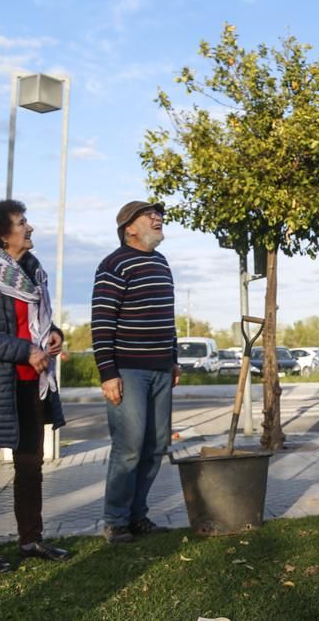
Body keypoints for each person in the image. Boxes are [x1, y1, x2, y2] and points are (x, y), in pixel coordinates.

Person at [0, 200, 72, 573]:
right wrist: (26, 350)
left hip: (31, 385)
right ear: (3, 235)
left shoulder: (33, 274)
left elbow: (39, 325)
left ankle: (31, 538)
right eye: (23, 223)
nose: (31, 228)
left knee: (30, 465)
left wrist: (54, 336)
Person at [92, 200, 179, 544]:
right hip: (128, 371)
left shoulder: (161, 262)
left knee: (156, 446)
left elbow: (166, 318)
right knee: (128, 447)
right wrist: (107, 373)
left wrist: (172, 358)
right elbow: (101, 322)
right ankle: (115, 521)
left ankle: (137, 515)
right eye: (150, 215)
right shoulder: (113, 264)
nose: (158, 218)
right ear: (130, 228)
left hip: (160, 370)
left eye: (159, 215)